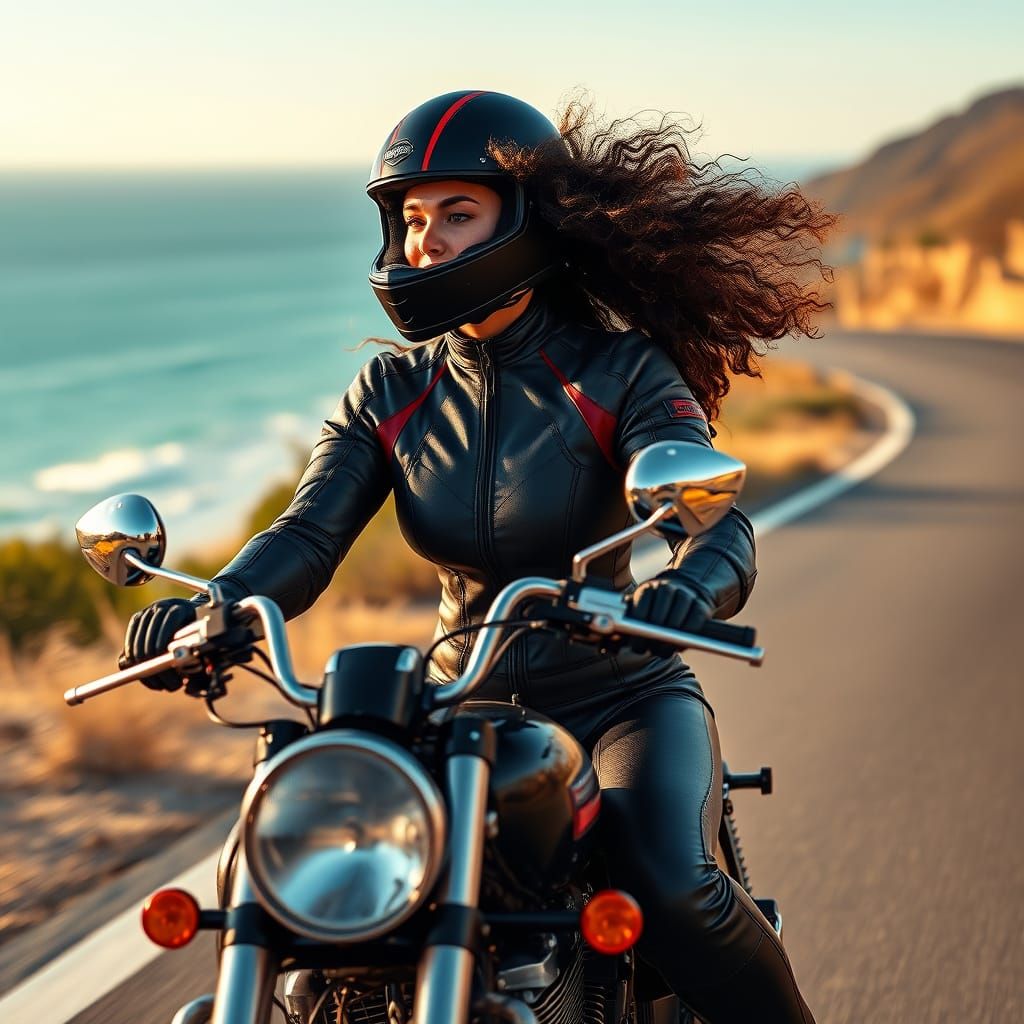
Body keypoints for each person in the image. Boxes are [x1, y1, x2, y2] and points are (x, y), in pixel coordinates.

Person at [122, 90, 834, 1022]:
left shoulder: (618, 372)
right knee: (281, 870)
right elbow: (305, 534)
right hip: (454, 707)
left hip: (617, 695)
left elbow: (714, 520)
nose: (427, 241)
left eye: (458, 214)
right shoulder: (390, 390)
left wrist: (691, 586)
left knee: (669, 883)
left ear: (526, 221)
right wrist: (212, 606)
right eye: (413, 219)